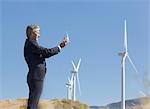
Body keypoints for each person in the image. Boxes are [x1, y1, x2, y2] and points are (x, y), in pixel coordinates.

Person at [24, 24, 69, 109]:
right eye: (38, 32)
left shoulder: (31, 45)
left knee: (34, 101)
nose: (39, 35)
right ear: (32, 33)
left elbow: (44, 54)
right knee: (33, 102)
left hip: (35, 75)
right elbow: (46, 52)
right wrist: (60, 47)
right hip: (36, 76)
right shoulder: (31, 44)